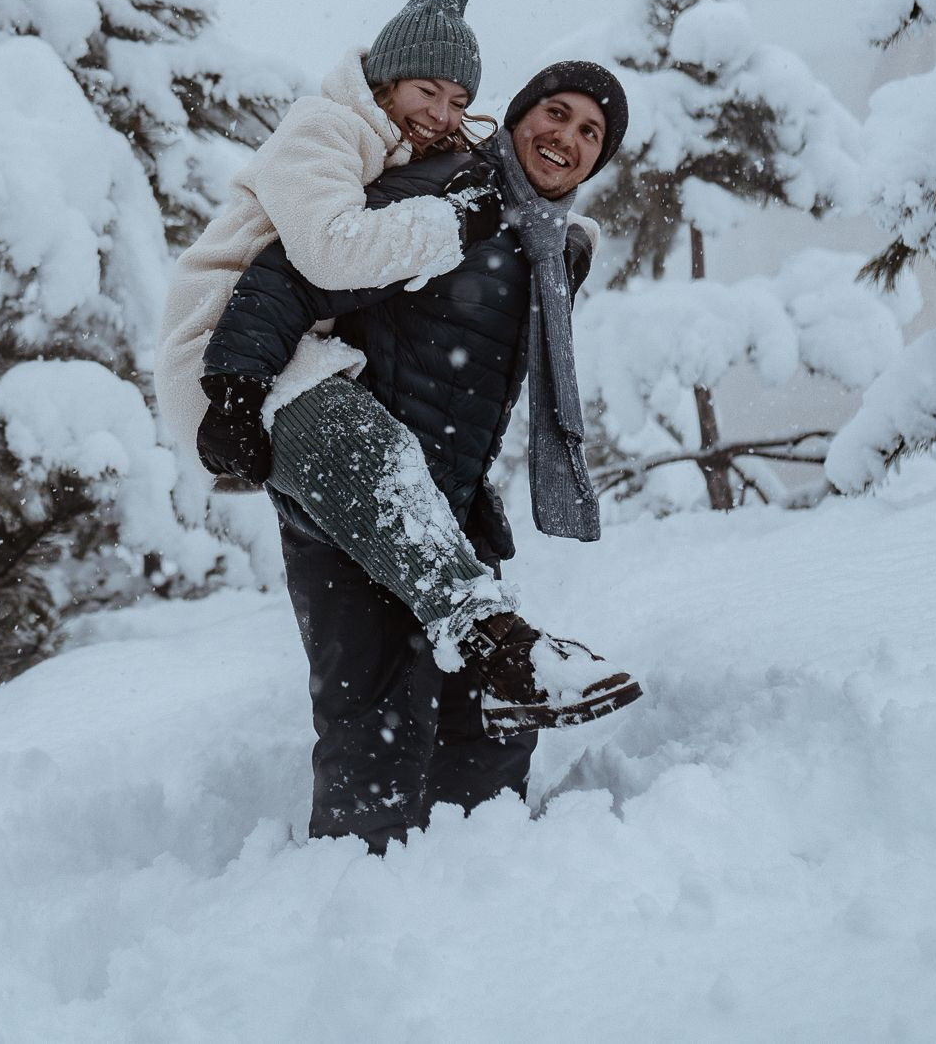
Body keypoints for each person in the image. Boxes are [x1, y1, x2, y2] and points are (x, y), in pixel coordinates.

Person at [194, 61, 639, 853]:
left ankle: (476, 882)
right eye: (556, 113)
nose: (566, 138)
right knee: (375, 724)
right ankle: (356, 897)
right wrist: (236, 385)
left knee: (491, 723)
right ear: (519, 115)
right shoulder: (447, 194)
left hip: (446, 507)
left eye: (589, 133)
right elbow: (297, 275)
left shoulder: (547, 247)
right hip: (357, 493)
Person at [157, 0, 589, 705]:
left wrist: (558, 236)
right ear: (385, 81)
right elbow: (327, 253)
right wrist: (454, 222)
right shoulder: (323, 128)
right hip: (224, 356)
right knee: (375, 455)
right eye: (427, 91)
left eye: (459, 102)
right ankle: (479, 625)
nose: (442, 114)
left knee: (390, 473)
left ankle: (475, 653)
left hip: (294, 351)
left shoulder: (400, 151)